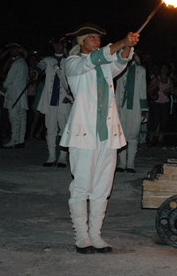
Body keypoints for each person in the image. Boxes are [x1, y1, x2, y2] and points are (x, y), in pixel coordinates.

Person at [60, 23, 139, 254]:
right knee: (82, 186)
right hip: (83, 135)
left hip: (107, 136)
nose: (97, 40)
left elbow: (121, 63)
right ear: (81, 42)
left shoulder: (104, 64)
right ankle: (81, 236)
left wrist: (128, 46)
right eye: (92, 38)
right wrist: (122, 43)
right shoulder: (73, 63)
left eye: (98, 37)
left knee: (102, 187)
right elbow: (92, 60)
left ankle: (96, 234)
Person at [31, 37, 73, 167]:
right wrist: (34, 72)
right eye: (55, 45)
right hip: (50, 101)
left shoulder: (70, 61)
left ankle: (62, 157)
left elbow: (75, 81)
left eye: (60, 45)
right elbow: (40, 66)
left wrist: (71, 97)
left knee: (65, 129)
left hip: (64, 101)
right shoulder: (48, 60)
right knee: (50, 129)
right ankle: (51, 156)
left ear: (64, 45)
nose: (57, 47)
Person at [115, 55, 148, 173]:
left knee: (133, 135)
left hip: (135, 107)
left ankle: (130, 164)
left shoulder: (141, 70)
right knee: (121, 135)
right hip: (120, 106)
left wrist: (144, 108)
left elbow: (143, 89)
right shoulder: (119, 68)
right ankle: (121, 163)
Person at [0, 43, 29, 148]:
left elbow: (9, 80)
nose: (11, 51)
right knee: (22, 117)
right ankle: (21, 140)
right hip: (21, 94)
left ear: (18, 50)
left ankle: (14, 140)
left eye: (13, 49)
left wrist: (0, 90)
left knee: (14, 117)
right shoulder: (23, 62)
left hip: (14, 93)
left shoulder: (17, 63)